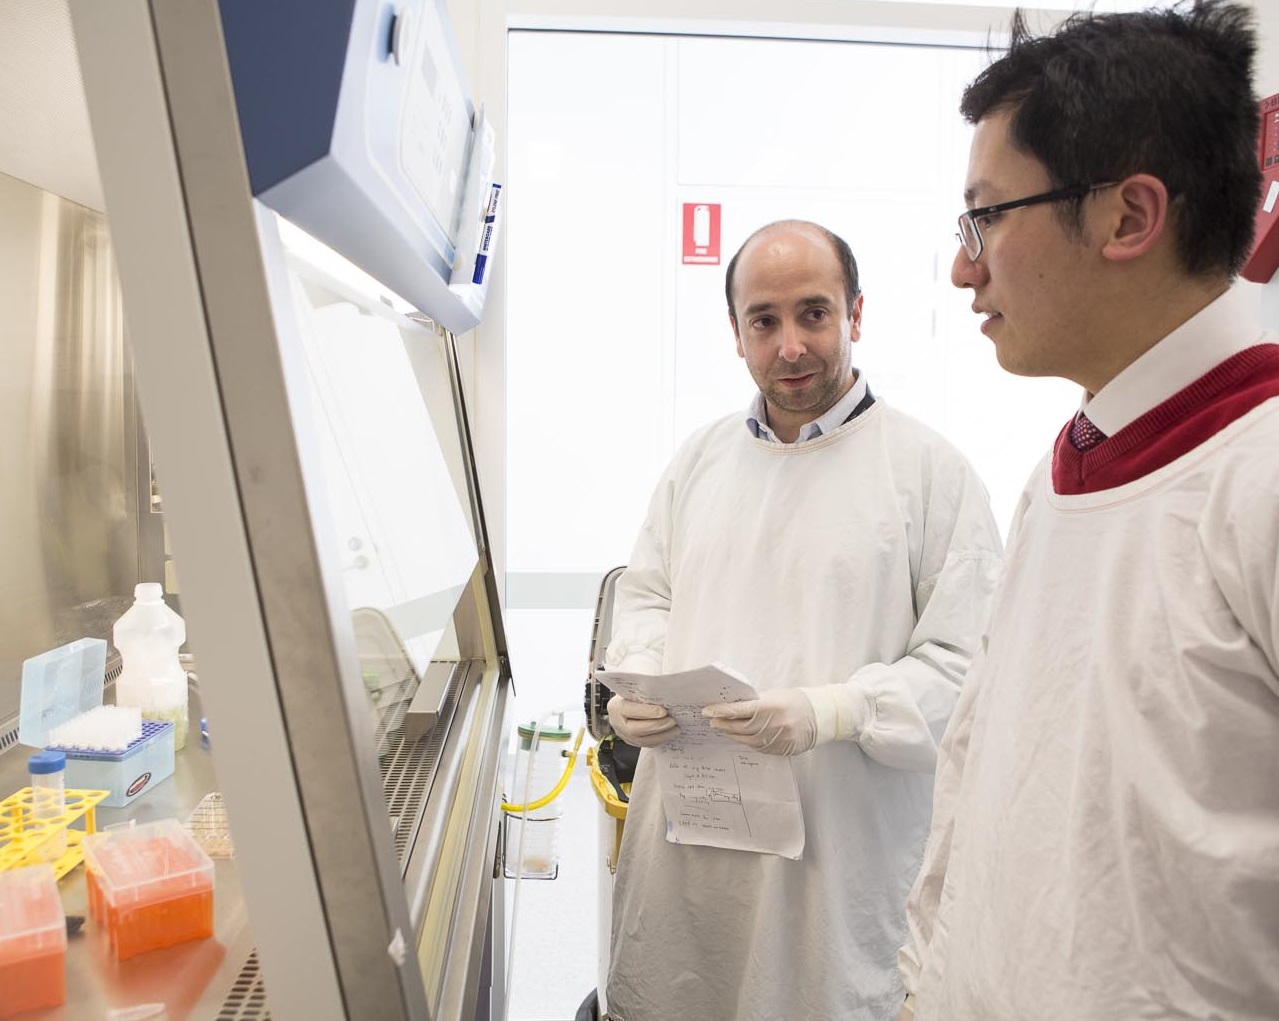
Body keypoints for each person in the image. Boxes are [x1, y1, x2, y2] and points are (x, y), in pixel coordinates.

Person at [899, 4, 1279, 1020]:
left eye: (986, 217)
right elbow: (983, 777)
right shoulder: (1064, 470)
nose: (962, 267)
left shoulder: (1259, 482)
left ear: (1128, 217)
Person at [602, 219, 1003, 1021]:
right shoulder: (699, 462)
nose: (790, 345)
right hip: (693, 844)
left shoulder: (929, 474)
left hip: (839, 859)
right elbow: (647, 593)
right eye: (765, 320)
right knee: (689, 989)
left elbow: (967, 670)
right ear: (736, 333)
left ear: (856, 314)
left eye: (813, 313)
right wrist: (636, 683)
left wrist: (832, 710)